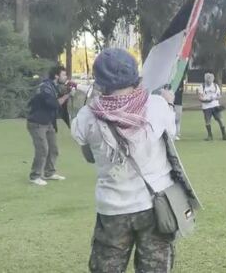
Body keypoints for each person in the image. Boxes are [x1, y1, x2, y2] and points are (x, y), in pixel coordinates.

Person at [71, 48, 179, 272]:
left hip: (112, 208)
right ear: (135, 76)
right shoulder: (156, 106)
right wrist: (168, 102)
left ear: (100, 81)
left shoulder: (87, 115)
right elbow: (171, 135)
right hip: (155, 205)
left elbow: (89, 156)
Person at [26, 65, 71, 186]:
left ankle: (49, 173)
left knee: (53, 149)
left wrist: (68, 90)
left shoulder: (53, 86)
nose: (66, 77)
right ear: (56, 75)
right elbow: (54, 104)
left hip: (48, 123)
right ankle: (34, 176)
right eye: (63, 75)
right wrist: (68, 95)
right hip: (37, 123)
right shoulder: (45, 87)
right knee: (42, 150)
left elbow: (60, 95)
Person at [197, 73, 226, 141]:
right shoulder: (202, 86)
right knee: (208, 121)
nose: (209, 81)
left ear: (212, 79)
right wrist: (206, 100)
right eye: (207, 80)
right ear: (205, 79)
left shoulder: (215, 86)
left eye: (210, 79)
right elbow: (200, 97)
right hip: (206, 107)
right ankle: (210, 136)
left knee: (220, 120)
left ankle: (224, 135)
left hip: (215, 106)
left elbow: (219, 96)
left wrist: (214, 98)